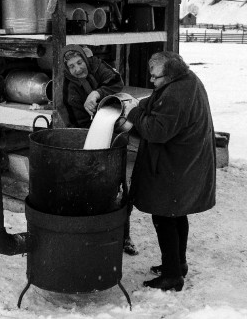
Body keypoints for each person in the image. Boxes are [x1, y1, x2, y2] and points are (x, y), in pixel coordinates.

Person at [123, 51, 216, 291]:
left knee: (164, 215)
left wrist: (133, 113)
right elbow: (158, 102)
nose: (152, 82)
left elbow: (156, 131)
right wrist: (140, 105)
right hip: (185, 161)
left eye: (155, 77)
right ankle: (178, 264)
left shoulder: (176, 94)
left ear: (170, 73)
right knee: (177, 213)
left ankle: (172, 276)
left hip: (175, 164)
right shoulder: (187, 80)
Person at [60, 44, 138, 256]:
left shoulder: (97, 65)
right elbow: (69, 118)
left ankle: (124, 236)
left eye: (79, 63)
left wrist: (96, 93)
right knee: (90, 188)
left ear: (86, 60)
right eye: (71, 66)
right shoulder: (68, 87)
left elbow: (116, 81)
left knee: (118, 185)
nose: (77, 69)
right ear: (66, 69)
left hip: (113, 130)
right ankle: (91, 233)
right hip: (89, 137)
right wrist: (78, 142)